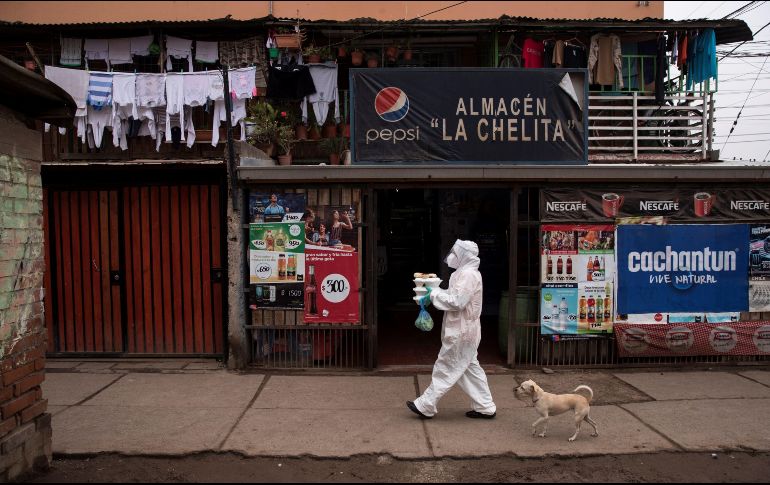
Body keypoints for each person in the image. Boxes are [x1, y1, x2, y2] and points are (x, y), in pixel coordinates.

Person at [407, 239, 497, 420]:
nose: (451, 256)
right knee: (469, 368)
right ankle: (485, 406)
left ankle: (426, 404)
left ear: (463, 255)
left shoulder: (469, 275)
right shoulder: (462, 273)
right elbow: (453, 295)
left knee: (446, 366)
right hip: (463, 329)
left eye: (455, 253)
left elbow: (458, 302)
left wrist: (433, 294)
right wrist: (435, 292)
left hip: (462, 331)